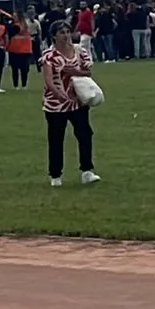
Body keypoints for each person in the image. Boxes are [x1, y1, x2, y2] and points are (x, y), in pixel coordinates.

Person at [38, 25, 100, 187]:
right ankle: (55, 174)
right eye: (61, 33)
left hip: (77, 101)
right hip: (55, 104)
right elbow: (48, 79)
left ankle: (87, 170)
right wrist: (58, 93)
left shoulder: (80, 52)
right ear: (54, 36)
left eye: (67, 32)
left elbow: (88, 73)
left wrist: (73, 72)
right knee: (56, 138)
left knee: (85, 134)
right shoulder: (49, 55)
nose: (66, 36)